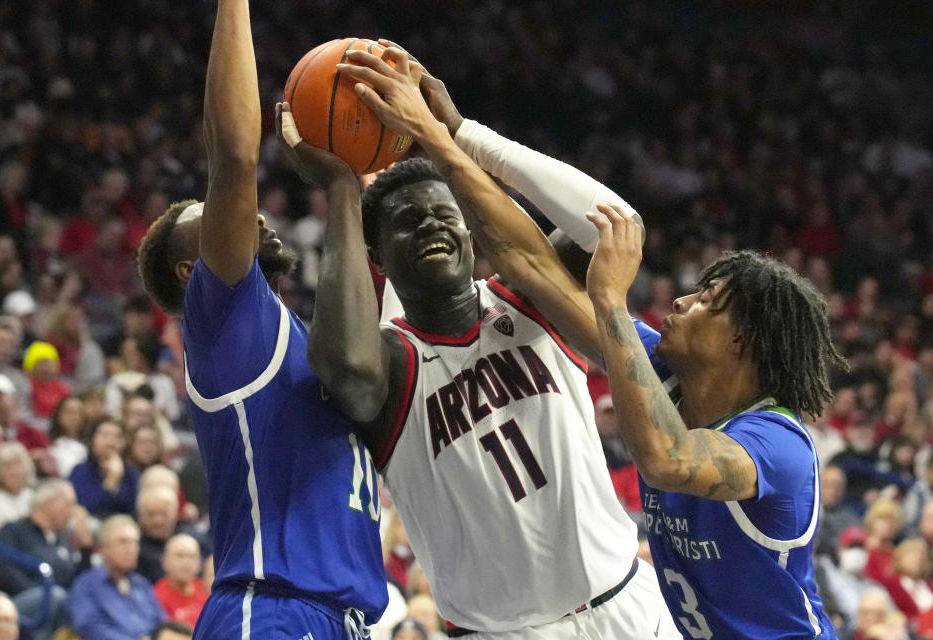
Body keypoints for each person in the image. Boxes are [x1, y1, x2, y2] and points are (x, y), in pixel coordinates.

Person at [287, 43, 677, 638]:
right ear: (377, 256)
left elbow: (617, 226)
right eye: (407, 222)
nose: (431, 225)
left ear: (471, 230)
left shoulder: (532, 300)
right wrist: (344, 189)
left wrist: (464, 134)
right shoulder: (391, 360)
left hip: (628, 604)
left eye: (444, 213)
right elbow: (341, 366)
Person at [134, 1, 387, 637]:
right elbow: (236, 157)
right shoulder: (224, 325)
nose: (250, 214)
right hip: (271, 609)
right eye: (215, 221)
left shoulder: (297, 335)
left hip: (340, 617)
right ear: (193, 274)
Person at [583, 204, 840, 637]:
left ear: (739, 337)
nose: (680, 301)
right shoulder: (665, 372)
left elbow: (666, 460)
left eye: (704, 301)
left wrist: (610, 298)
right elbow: (534, 268)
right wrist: (460, 147)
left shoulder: (777, 442)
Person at [0, 479, 90, 639]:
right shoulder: (13, 530)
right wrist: (41, 591)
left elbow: (76, 580)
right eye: (69, 504)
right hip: (14, 602)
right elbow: (0, 569)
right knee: (55, 597)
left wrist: (86, 548)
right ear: (49, 503)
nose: (73, 511)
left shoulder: (63, 539)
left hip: (56, 602)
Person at [66, 514, 166, 640]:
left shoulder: (142, 584)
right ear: (103, 548)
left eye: (135, 542)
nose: (131, 549)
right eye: (122, 542)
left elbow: (163, 623)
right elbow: (90, 628)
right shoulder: (85, 586)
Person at [153, 534, 207, 629]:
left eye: (191, 556)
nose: (186, 563)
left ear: (199, 563)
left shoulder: (205, 589)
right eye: (179, 556)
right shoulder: (156, 596)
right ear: (164, 561)